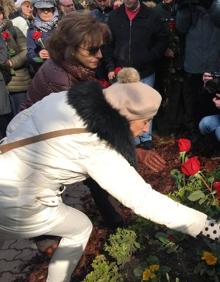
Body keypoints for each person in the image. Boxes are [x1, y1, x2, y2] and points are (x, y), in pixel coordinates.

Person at [0, 68, 219, 282]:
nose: (145, 130)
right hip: (18, 201)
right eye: (144, 122)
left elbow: (15, 125)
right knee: (80, 228)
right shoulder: (97, 148)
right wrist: (209, 227)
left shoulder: (61, 99)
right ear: (124, 117)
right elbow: (144, 201)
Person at [103, 0, 169, 149]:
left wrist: (152, 55)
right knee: (126, 106)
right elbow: (107, 43)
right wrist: (110, 67)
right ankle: (131, 139)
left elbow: (163, 38)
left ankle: (145, 137)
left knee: (146, 103)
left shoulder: (151, 16)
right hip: (123, 72)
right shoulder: (114, 17)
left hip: (145, 70)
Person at [176, 0, 220, 137]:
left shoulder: (216, 4)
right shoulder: (190, 6)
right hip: (193, 63)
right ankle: (194, 135)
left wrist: (209, 4)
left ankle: (211, 139)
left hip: (214, 64)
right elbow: (181, 28)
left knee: (211, 104)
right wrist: (184, 7)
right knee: (193, 105)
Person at [0, 6, 31, 116]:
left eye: (0, 13)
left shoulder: (13, 30)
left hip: (17, 82)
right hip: (1, 86)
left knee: (21, 117)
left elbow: (26, 51)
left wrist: (11, 62)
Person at [26, 0, 59, 75]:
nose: (46, 12)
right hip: (44, 73)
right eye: (42, 9)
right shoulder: (32, 30)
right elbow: (30, 55)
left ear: (54, 10)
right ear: (36, 11)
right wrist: (38, 55)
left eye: (49, 9)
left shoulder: (62, 26)